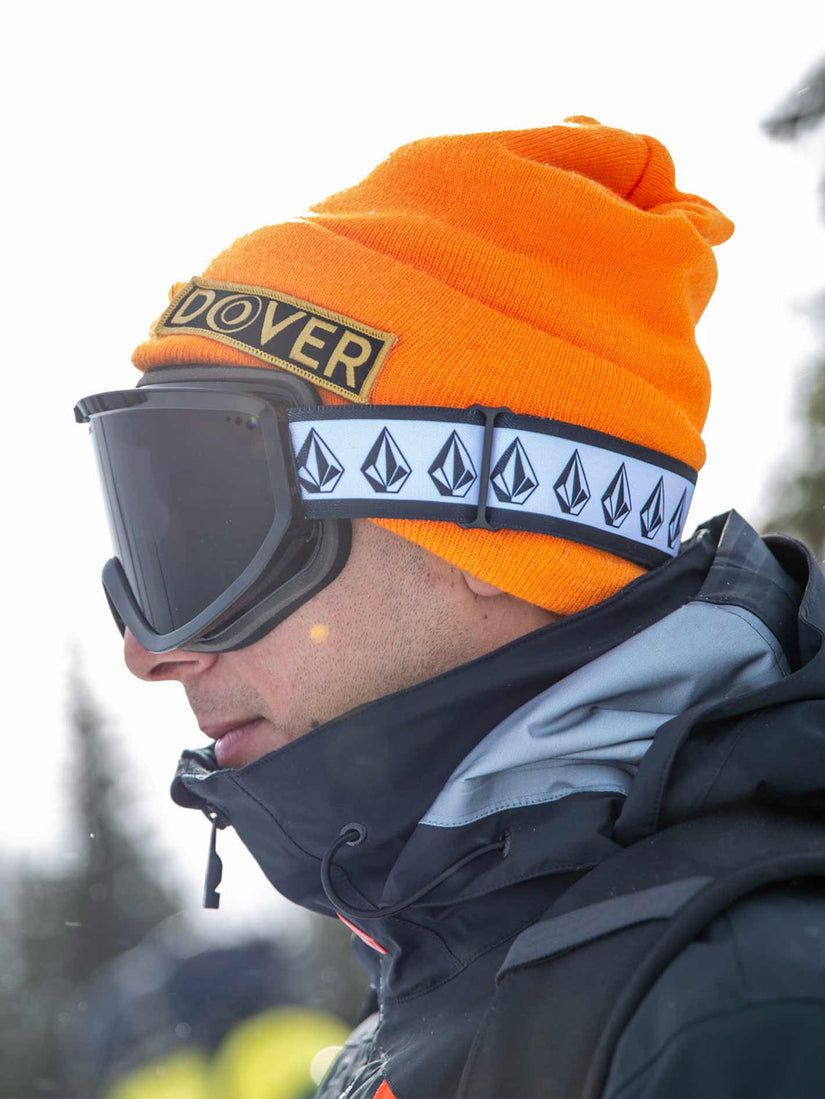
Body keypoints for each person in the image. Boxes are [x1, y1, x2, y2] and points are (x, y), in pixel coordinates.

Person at [75, 119, 825, 1098]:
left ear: (496, 535)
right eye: (155, 543)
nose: (149, 651)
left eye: (217, 539)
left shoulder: (739, 1014)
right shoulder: (445, 976)